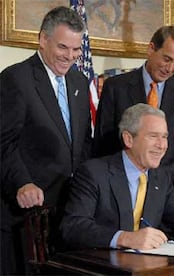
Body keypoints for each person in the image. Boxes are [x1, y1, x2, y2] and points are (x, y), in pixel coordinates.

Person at [0, 6, 92, 274]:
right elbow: (3, 142)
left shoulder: (79, 80)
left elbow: (83, 141)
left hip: (66, 212)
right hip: (25, 214)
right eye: (63, 47)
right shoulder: (15, 79)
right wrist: (22, 182)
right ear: (43, 39)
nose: (71, 57)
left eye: (76, 50)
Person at [60, 103, 174, 250]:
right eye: (153, 136)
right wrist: (125, 238)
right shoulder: (93, 173)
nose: (161, 145)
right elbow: (73, 227)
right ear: (129, 139)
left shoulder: (160, 177)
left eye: (165, 137)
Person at [93, 25, 174, 194]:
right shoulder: (116, 87)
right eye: (166, 59)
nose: (170, 68)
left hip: (167, 192)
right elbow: (103, 144)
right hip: (120, 188)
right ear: (151, 49)